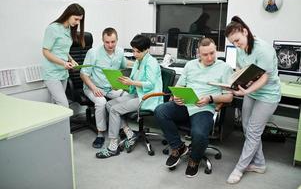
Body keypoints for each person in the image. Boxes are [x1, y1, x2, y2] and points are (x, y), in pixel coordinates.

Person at [154, 38, 233, 178]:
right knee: (160, 110)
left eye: (212, 53)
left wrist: (210, 98)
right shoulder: (190, 65)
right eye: (205, 54)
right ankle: (178, 147)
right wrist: (176, 95)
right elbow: (179, 86)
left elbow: (229, 97)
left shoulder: (224, 68)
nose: (209, 57)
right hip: (186, 104)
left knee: (199, 133)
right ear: (198, 54)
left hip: (204, 107)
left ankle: (194, 159)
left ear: (216, 50)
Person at [225, 16, 281, 184]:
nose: (236, 45)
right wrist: (234, 82)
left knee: (254, 132)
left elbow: (264, 78)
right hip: (251, 93)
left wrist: (246, 91)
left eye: (237, 40)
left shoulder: (263, 50)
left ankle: (239, 168)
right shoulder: (240, 48)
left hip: (268, 95)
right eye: (232, 43)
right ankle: (259, 163)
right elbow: (241, 68)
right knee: (246, 128)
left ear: (245, 32)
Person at [96, 34, 163, 158]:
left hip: (148, 98)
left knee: (115, 110)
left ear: (147, 50)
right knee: (109, 105)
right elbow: (133, 81)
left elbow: (150, 84)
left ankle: (113, 146)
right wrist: (121, 85)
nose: (135, 54)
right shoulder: (138, 61)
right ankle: (129, 133)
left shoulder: (151, 63)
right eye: (133, 50)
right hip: (137, 93)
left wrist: (131, 82)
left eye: (138, 51)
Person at [80, 27, 133, 149]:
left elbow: (125, 64)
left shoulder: (119, 52)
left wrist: (141, 62)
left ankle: (122, 127)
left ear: (117, 40)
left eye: (113, 42)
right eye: (107, 42)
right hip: (93, 87)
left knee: (127, 97)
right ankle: (100, 134)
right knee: (101, 102)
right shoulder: (93, 53)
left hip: (110, 88)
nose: (110, 45)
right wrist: (93, 88)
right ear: (103, 40)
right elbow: (83, 74)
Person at [42, 3, 85, 108]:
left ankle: (54, 125)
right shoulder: (53, 28)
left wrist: (71, 60)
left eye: (79, 20)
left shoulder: (68, 29)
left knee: (56, 105)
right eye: (76, 19)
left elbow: (63, 50)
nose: (77, 22)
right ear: (68, 14)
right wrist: (63, 63)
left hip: (63, 72)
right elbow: (45, 51)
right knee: (64, 105)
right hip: (52, 73)